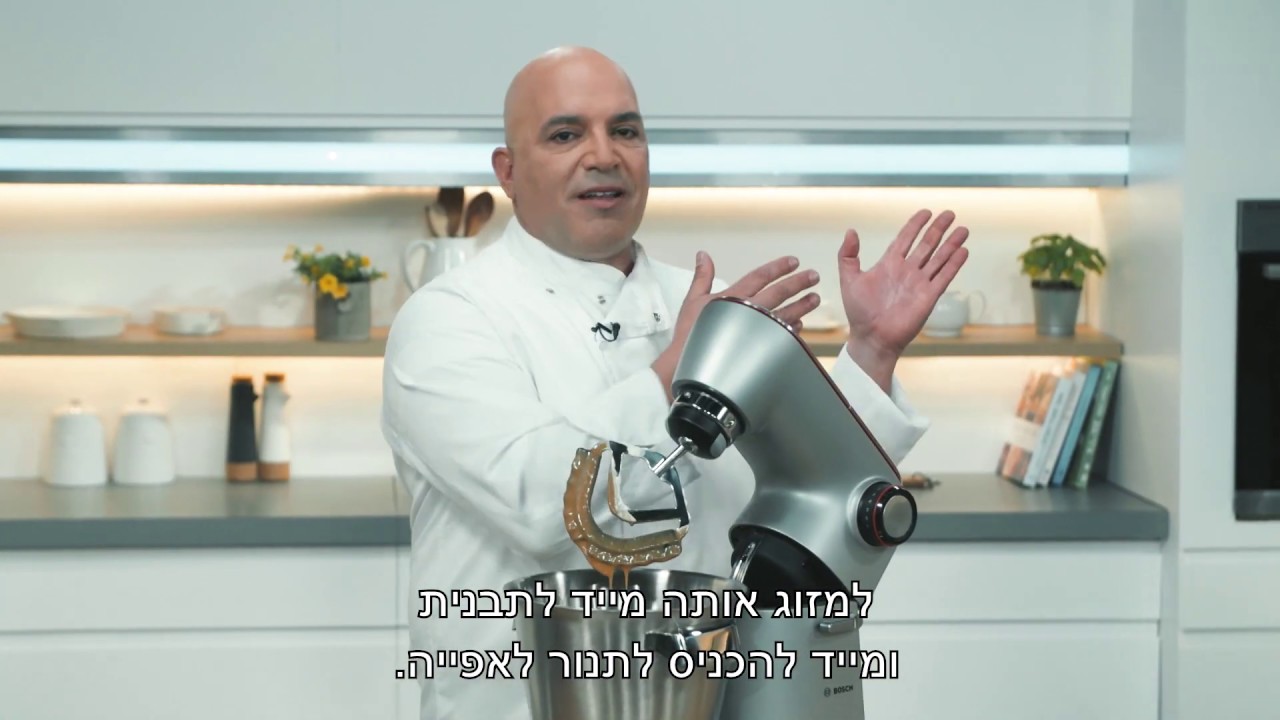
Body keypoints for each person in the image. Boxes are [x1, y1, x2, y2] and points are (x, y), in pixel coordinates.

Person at [381, 46, 969, 720]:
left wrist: (872, 352)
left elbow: (808, 491)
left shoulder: (710, 309)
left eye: (625, 130)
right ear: (507, 171)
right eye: (566, 134)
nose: (604, 155)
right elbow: (541, 508)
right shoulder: (448, 319)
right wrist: (670, 375)